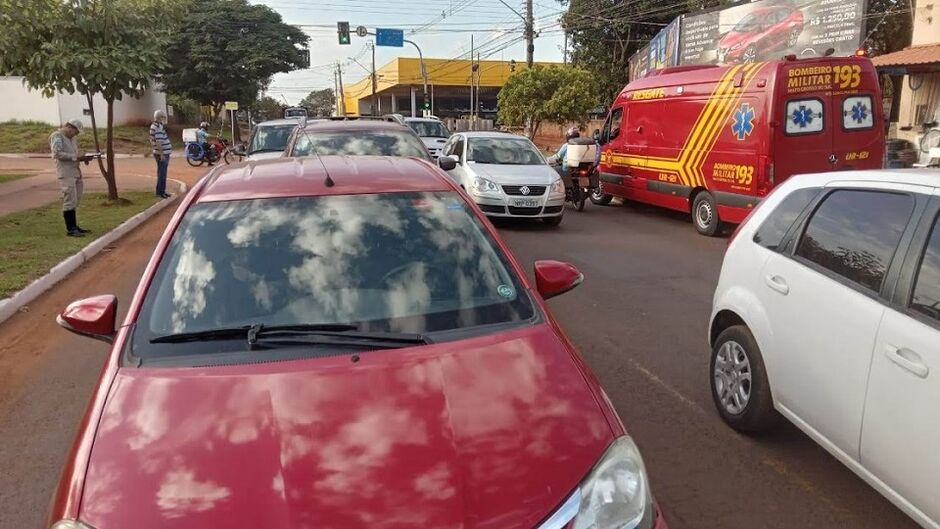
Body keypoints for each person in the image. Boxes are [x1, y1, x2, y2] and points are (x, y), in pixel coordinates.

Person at [50, 120, 93, 237]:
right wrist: (75, 157)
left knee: (75, 198)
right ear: (69, 127)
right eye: (76, 131)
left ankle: (75, 225)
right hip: (66, 172)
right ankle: (71, 228)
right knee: (69, 199)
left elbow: (75, 153)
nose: (76, 134)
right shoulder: (57, 136)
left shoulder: (72, 139)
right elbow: (57, 153)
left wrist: (83, 158)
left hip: (76, 171)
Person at [149, 110, 172, 199]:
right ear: (159, 117)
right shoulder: (156, 127)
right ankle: (160, 192)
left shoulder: (158, 126)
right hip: (162, 153)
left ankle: (162, 191)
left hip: (162, 152)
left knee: (162, 172)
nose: (164, 119)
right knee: (162, 173)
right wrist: (161, 154)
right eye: (163, 117)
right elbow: (158, 142)